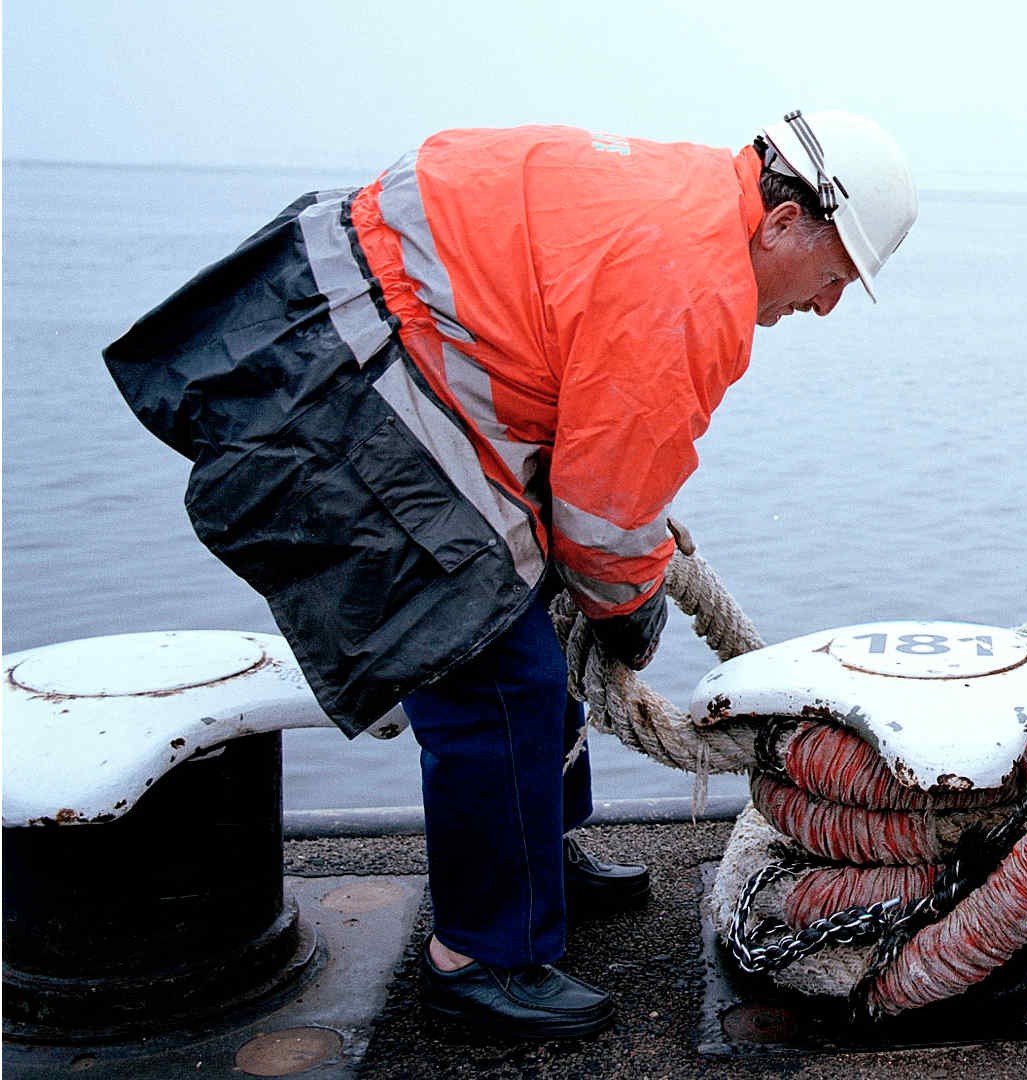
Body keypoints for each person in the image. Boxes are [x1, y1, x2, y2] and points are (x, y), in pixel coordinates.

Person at [103, 110, 917, 1039]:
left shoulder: (683, 186)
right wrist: (631, 609)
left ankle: (538, 858)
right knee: (499, 673)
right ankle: (482, 959)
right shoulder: (692, 287)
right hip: (358, 395)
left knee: (530, 606)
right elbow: (605, 513)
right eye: (834, 277)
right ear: (782, 226)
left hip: (328, 315)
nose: (824, 307)